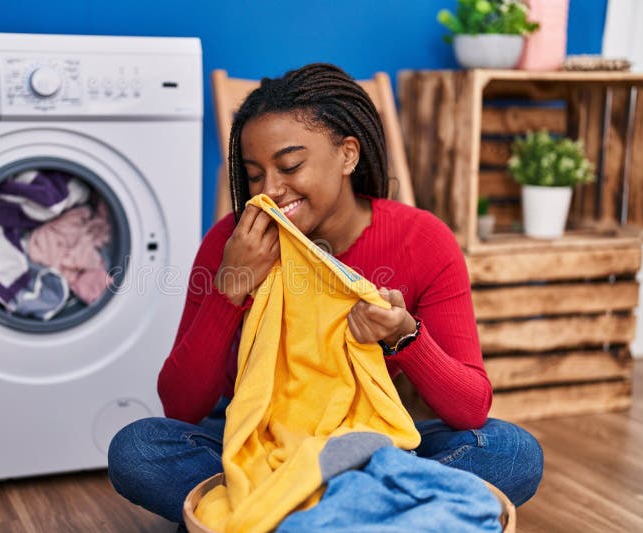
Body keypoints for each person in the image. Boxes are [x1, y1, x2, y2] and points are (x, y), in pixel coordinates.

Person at [107, 63, 543, 525]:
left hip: (374, 442)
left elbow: (472, 406)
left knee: (512, 452)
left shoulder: (423, 241)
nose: (270, 191)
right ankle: (368, 509)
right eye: (255, 175)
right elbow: (180, 406)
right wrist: (229, 291)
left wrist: (405, 336)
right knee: (138, 450)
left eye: (290, 166)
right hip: (257, 442)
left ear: (347, 155)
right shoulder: (232, 245)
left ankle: (286, 512)